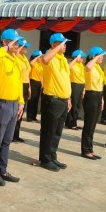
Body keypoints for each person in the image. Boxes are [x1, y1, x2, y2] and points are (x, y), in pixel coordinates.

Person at [0, 29, 24, 186]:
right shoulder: (0, 57)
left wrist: (21, 102)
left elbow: (19, 82)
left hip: (14, 103)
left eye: (17, 42)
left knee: (7, 140)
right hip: (1, 103)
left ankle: (3, 170)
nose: (17, 45)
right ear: (5, 42)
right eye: (14, 42)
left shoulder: (16, 59)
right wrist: (5, 48)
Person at [39, 33, 71, 172]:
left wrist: (68, 98)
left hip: (63, 100)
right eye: (61, 43)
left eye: (65, 43)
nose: (64, 46)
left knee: (57, 132)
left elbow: (65, 80)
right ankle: (45, 159)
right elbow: (45, 59)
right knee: (49, 132)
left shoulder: (62, 59)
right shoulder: (50, 57)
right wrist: (56, 48)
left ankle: (52, 156)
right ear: (53, 45)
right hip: (53, 100)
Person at [81, 47, 105, 160]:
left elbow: (99, 84)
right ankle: (85, 150)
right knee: (89, 124)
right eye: (101, 55)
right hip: (91, 96)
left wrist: (102, 98)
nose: (102, 57)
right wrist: (95, 58)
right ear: (94, 56)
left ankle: (90, 149)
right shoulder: (89, 66)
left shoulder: (98, 67)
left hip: (98, 95)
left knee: (93, 125)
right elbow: (87, 67)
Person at [12, 39, 31, 143]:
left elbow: (27, 74)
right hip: (19, 85)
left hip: (25, 85)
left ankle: (16, 134)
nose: (26, 48)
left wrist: (29, 87)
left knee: (21, 111)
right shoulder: (17, 57)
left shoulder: (24, 58)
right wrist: (18, 49)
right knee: (16, 110)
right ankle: (12, 134)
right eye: (24, 46)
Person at [65, 49, 86, 130]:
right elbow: (68, 67)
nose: (82, 58)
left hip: (81, 85)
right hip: (74, 85)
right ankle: (70, 123)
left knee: (78, 105)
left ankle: (74, 122)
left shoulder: (81, 65)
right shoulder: (72, 64)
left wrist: (84, 88)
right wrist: (75, 59)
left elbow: (83, 77)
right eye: (81, 57)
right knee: (73, 105)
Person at [27, 50, 43, 122]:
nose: (41, 58)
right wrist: (37, 57)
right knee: (32, 100)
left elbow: (41, 76)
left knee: (36, 100)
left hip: (39, 83)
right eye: (40, 57)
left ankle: (34, 116)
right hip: (33, 81)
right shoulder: (33, 63)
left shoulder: (40, 64)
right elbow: (31, 63)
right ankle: (29, 117)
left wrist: (42, 84)